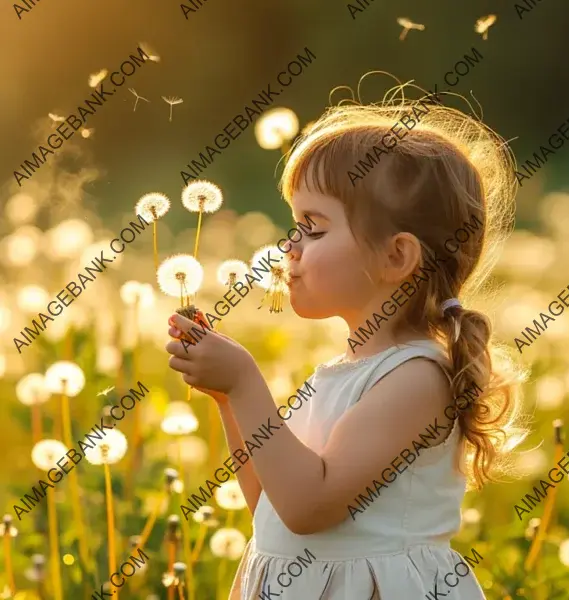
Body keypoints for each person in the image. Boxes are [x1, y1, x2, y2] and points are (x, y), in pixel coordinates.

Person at [165, 84, 528, 599]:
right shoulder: (342, 371)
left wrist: (246, 382)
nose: (288, 246)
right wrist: (229, 404)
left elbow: (308, 508)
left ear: (395, 258)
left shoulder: (417, 380)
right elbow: (272, 506)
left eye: (312, 228)